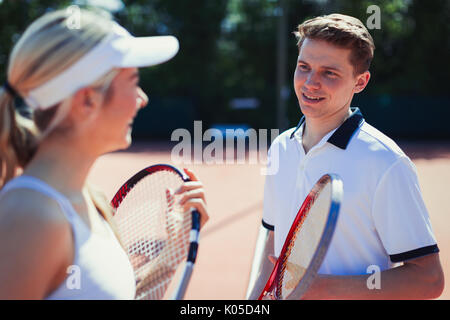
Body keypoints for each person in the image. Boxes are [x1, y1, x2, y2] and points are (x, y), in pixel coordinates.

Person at [0, 8, 209, 299]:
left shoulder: (89, 198)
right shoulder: (29, 217)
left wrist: (172, 253)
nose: (143, 99)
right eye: (133, 82)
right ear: (87, 101)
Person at [246, 13, 444, 300]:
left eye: (329, 73)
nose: (310, 82)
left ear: (360, 82)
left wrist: (320, 288)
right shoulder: (281, 148)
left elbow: (428, 279)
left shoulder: (385, 161)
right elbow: (274, 246)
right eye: (304, 67)